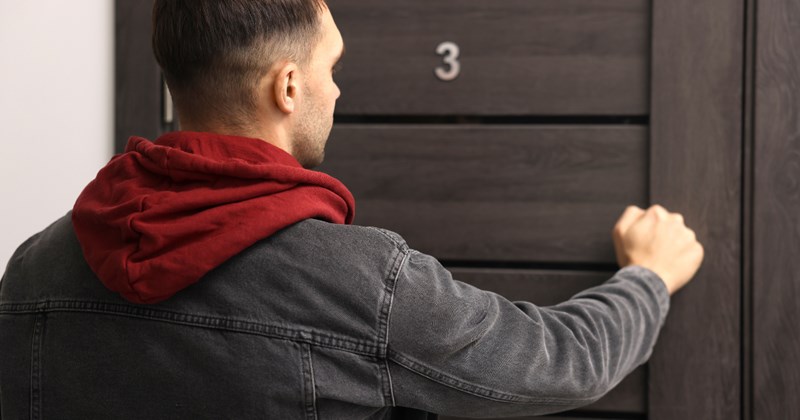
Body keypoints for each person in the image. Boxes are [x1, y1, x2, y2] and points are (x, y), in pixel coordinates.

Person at [0, 0, 704, 418]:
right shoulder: (367, 283)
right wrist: (647, 278)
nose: (336, 91)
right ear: (286, 87)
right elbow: (559, 360)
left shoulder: (35, 269)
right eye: (331, 69)